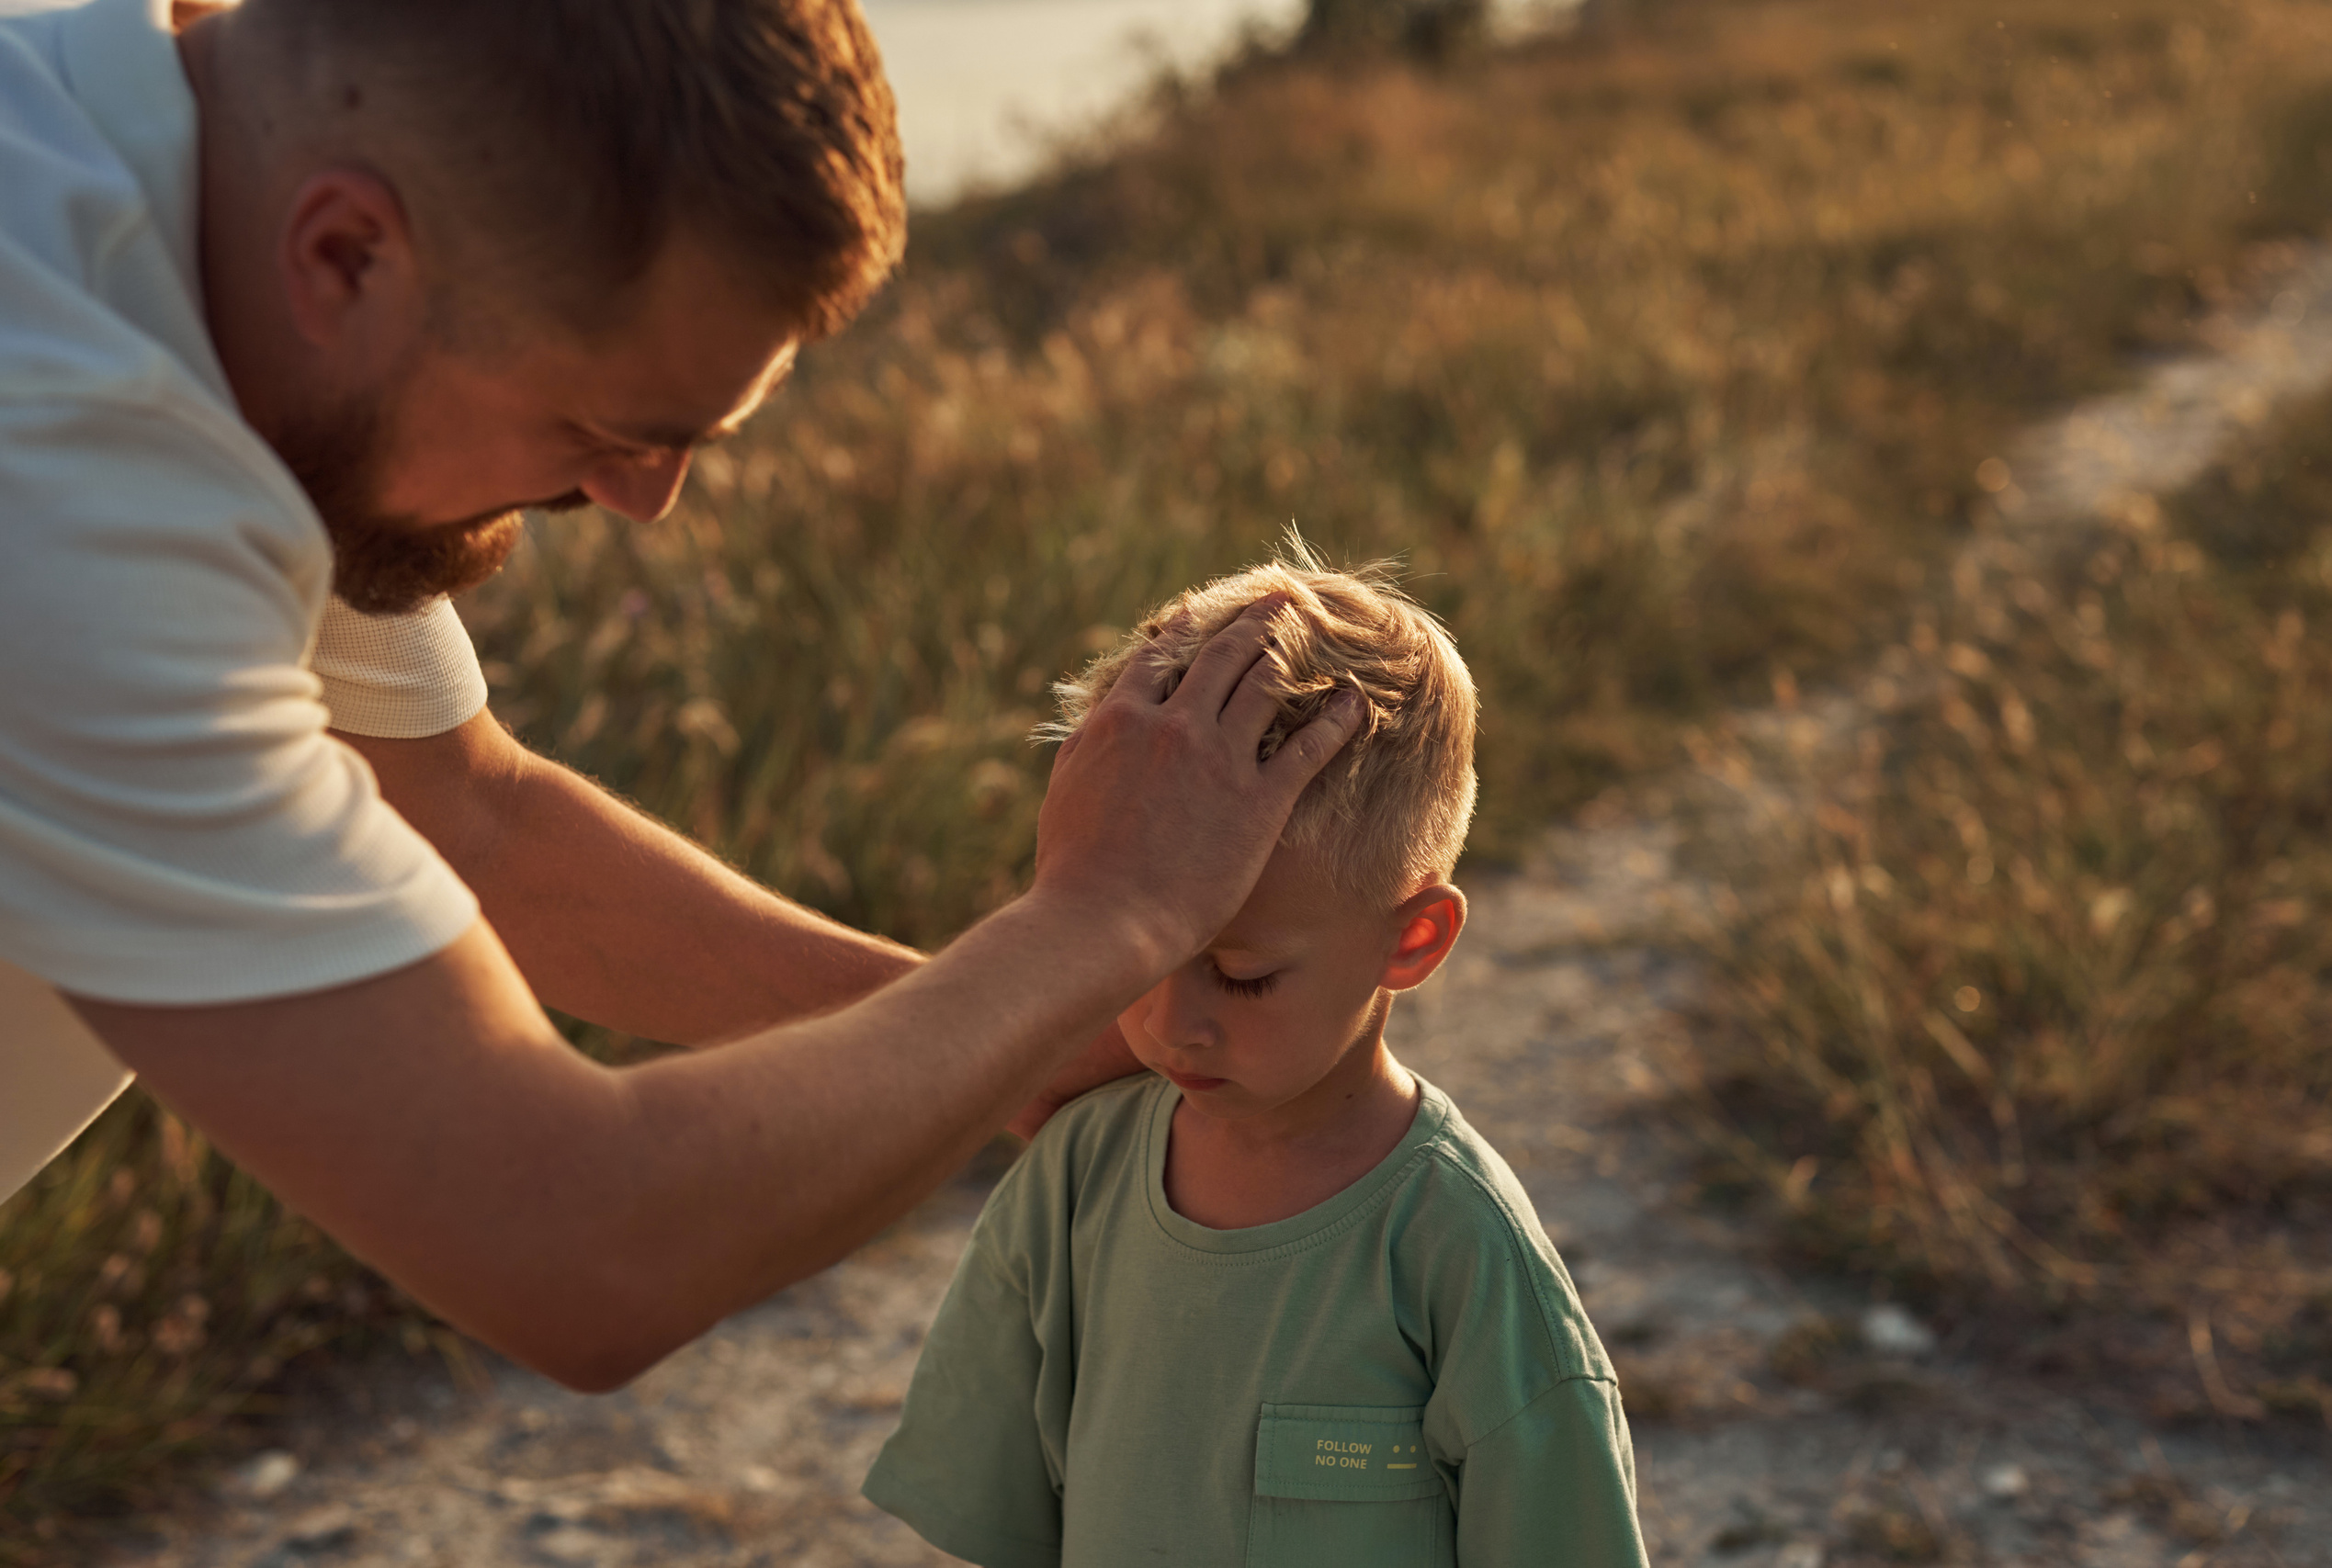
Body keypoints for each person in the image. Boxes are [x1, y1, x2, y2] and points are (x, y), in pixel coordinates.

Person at [0, 0, 1361, 1393]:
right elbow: (576, 1242)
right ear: (343, 251)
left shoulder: (178, 213)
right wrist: (1105, 914)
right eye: (605, 427)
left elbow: (464, 820)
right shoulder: (68, 468)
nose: (640, 503)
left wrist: (1018, 1045)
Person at [862, 549, 1649, 1567]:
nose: (1169, 1025)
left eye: (1238, 975)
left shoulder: (1455, 1247)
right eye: (1131, 953)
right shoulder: (1073, 1180)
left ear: (1410, 941)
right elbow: (998, 1522)